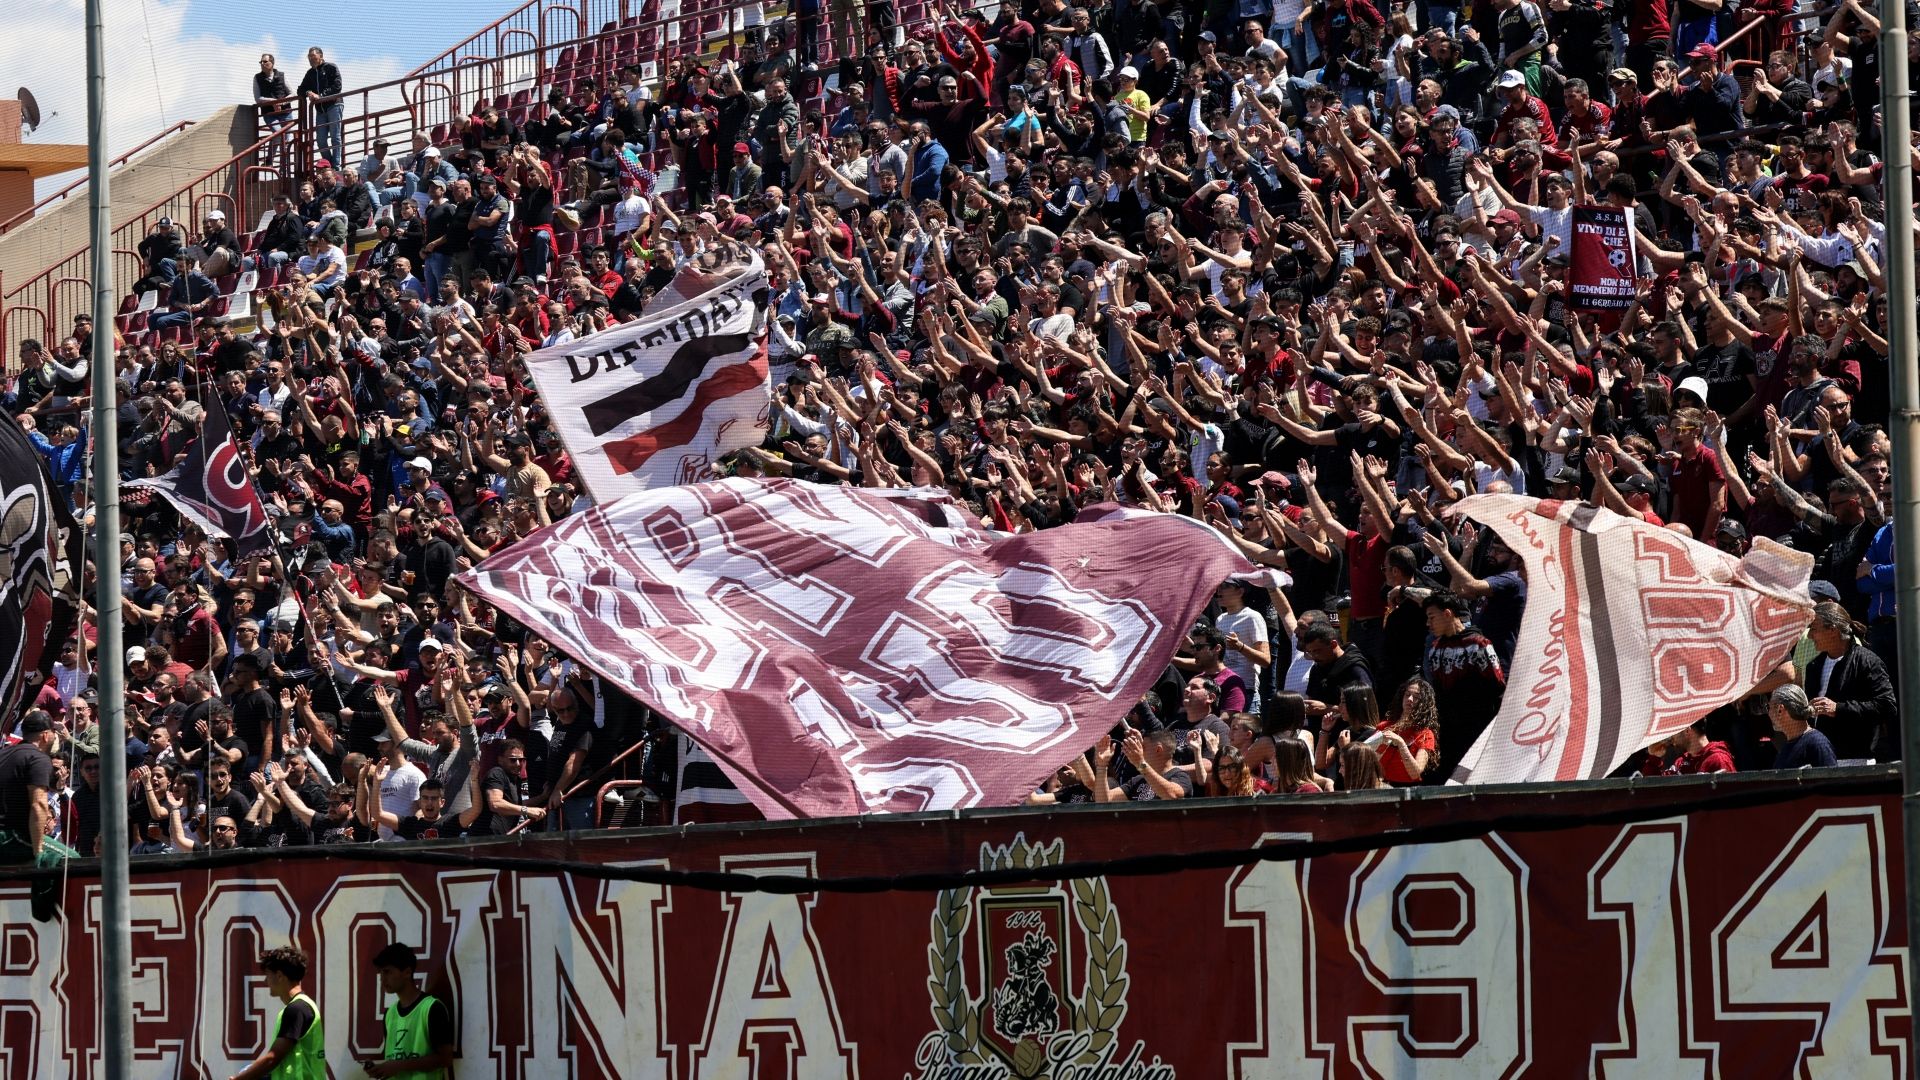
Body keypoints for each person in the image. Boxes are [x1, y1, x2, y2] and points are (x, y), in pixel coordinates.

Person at [227, 947, 324, 1080]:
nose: (265, 981)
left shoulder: (296, 1009)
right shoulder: (303, 1006)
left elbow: (272, 1058)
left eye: (267, 975)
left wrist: (239, 1079)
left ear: (279, 976)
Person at [364, 942, 457, 1078]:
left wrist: (399, 1065)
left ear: (407, 972)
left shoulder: (432, 1008)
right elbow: (395, 1057)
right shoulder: (389, 1014)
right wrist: (380, 1069)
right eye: (380, 973)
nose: (382, 979)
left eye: (387, 972)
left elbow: (445, 1059)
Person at [1768, 685, 1837, 771]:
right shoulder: (1786, 747)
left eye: (1769, 708)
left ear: (1780, 710)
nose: (1769, 713)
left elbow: (1831, 781)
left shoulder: (1817, 743)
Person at [299, 47, 345, 167]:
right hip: (320, 110)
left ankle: (336, 165)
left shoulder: (331, 67)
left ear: (320, 56)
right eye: (309, 57)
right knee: (320, 140)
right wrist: (309, 92)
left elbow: (337, 86)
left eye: (313, 56)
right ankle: (330, 164)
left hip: (334, 105)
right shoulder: (310, 73)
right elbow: (300, 89)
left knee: (335, 137)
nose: (310, 59)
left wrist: (321, 95)